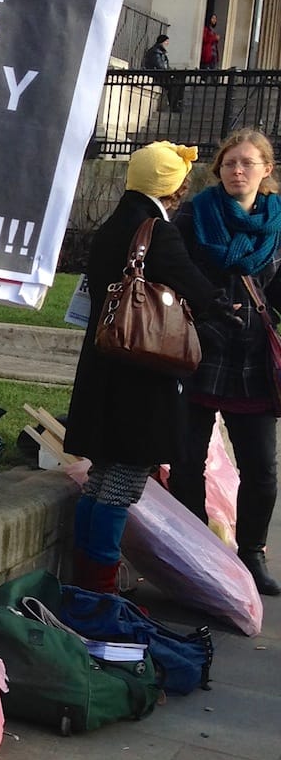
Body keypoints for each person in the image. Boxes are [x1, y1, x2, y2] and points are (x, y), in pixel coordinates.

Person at [64, 142, 228, 593]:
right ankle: (98, 590)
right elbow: (190, 283)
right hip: (140, 374)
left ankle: (84, 579)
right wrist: (220, 307)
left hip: (105, 368)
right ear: (174, 186)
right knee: (123, 482)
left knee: (101, 478)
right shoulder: (156, 230)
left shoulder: (113, 224)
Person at [168, 129, 281, 595]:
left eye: (248, 163)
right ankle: (195, 547)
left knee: (261, 467)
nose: (238, 171)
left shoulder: (278, 221)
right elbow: (173, 269)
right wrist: (208, 310)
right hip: (200, 348)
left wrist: (269, 316)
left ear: (266, 170)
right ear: (219, 170)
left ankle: (251, 553)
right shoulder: (196, 213)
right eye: (230, 163)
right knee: (186, 458)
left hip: (254, 357)